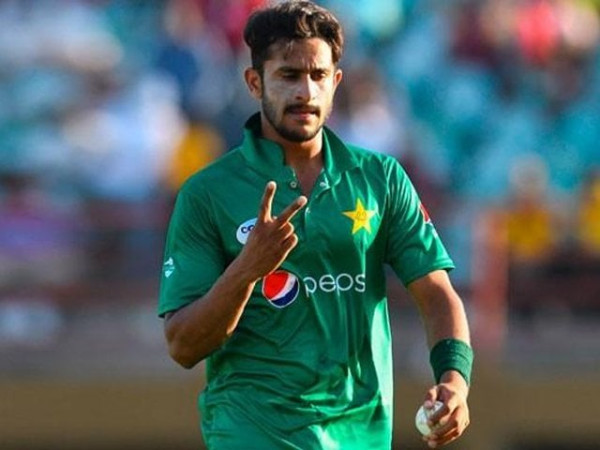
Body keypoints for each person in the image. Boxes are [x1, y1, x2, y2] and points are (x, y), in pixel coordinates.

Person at [158, 2, 473, 449]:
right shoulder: (207, 194)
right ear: (254, 82)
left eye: (318, 75)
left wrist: (455, 381)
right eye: (288, 75)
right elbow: (182, 345)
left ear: (336, 82)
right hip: (252, 433)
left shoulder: (380, 178)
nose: (306, 91)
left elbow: (437, 292)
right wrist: (247, 270)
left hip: (360, 434)